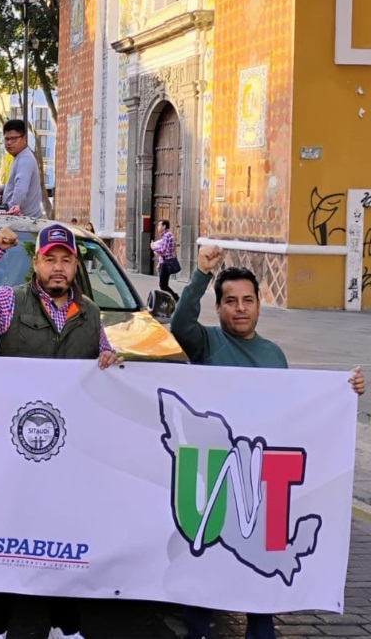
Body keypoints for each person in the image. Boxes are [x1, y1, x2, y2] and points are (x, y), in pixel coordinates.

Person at [170, 245, 364, 639]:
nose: (240, 309)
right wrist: (201, 276)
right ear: (219, 307)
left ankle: (261, 624)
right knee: (208, 562)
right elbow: (179, 326)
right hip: (215, 477)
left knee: (261, 570)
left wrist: (344, 392)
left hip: (263, 481)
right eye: (230, 302)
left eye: (247, 300)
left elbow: (294, 414)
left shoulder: (273, 354)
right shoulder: (205, 343)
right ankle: (196, 626)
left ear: (259, 304)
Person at [0, 224, 119, 639]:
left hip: (66, 451)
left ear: (75, 267)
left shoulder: (91, 314)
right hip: (13, 449)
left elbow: (101, 354)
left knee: (62, 537)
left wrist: (110, 361)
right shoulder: (10, 304)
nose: (58, 268)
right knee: (7, 538)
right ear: (36, 264)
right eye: (50, 259)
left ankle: (65, 627)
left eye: (66, 260)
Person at [1, 119, 43, 218]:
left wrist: (9, 210)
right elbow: (17, 184)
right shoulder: (19, 157)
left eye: (14, 139)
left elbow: (21, 189)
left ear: (24, 139)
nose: (9, 143)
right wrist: (2, 189)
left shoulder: (25, 159)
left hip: (25, 222)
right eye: (7, 139)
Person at [151, 218, 180, 301]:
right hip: (164, 261)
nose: (158, 227)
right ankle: (173, 298)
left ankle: (175, 298)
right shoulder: (165, 235)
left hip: (166, 262)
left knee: (163, 285)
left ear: (164, 226)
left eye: (159, 225)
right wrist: (159, 263)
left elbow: (164, 250)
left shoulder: (167, 235)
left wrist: (154, 249)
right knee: (163, 284)